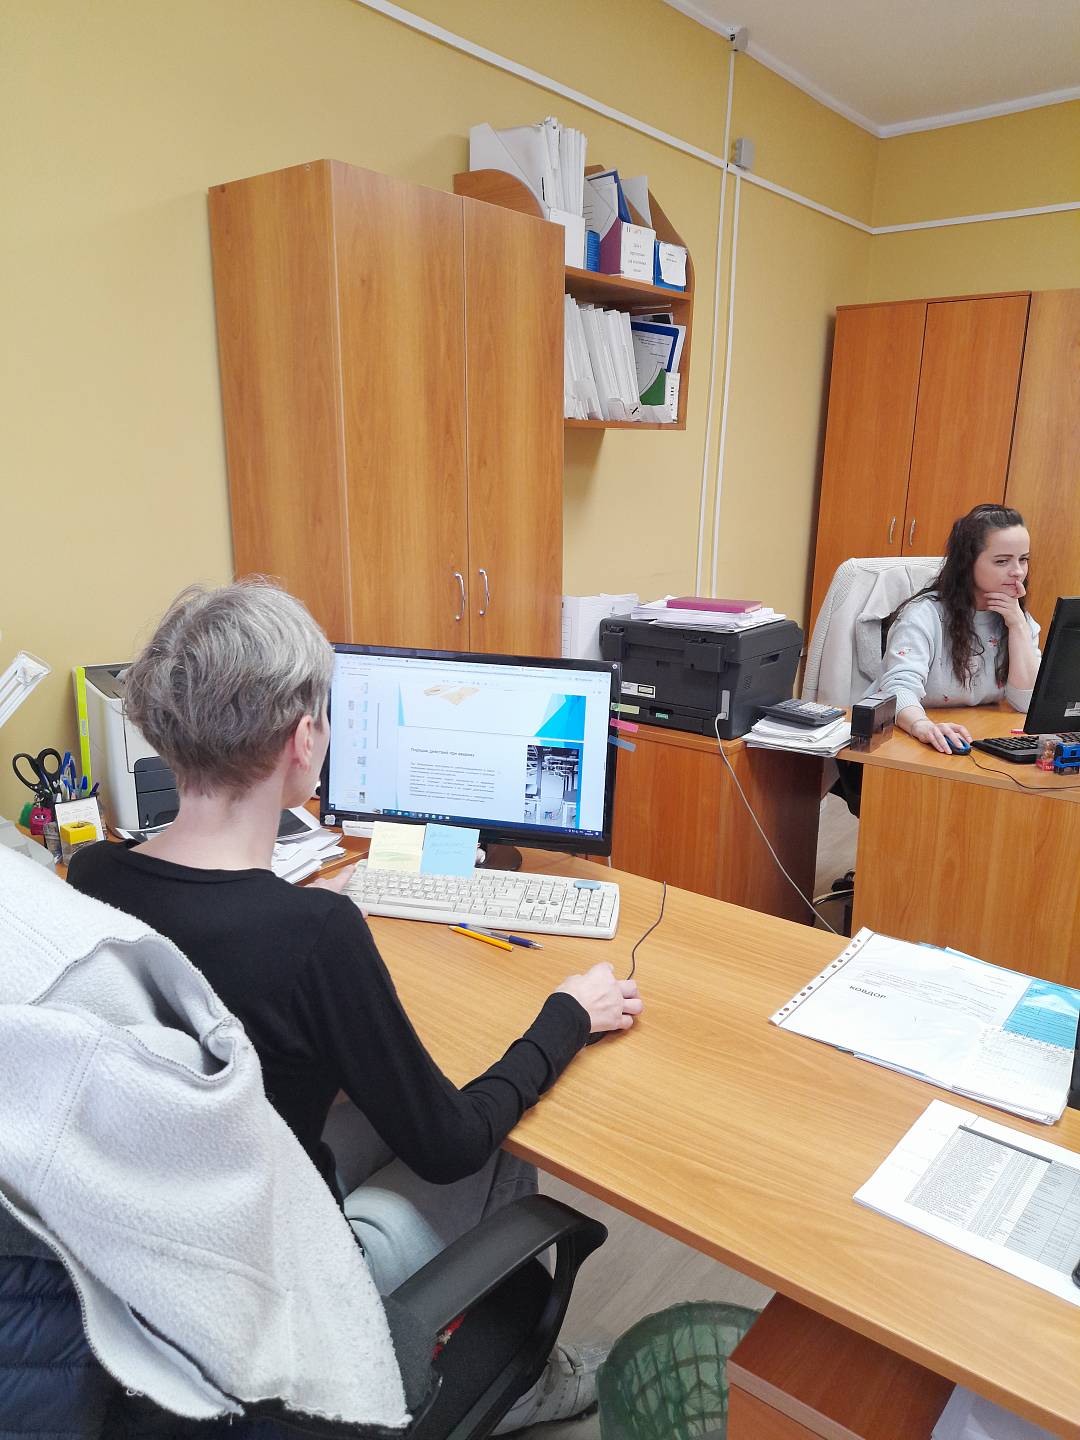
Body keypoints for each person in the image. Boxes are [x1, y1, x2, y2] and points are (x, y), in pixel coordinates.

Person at [68, 578, 642, 1433]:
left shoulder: (91, 876)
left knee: (384, 1098)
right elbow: (449, 1146)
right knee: (487, 1127)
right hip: (285, 1292)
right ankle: (518, 1374)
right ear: (304, 739)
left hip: (153, 1259)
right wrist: (565, 1017)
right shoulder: (313, 935)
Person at [872, 504, 1041, 754]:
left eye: (1023, 559)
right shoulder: (923, 615)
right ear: (968, 562)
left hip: (972, 735)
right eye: (1002, 561)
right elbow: (897, 690)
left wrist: (1017, 625)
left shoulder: (1018, 619)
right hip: (905, 737)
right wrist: (922, 725)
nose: (1017, 571)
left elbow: (1026, 703)